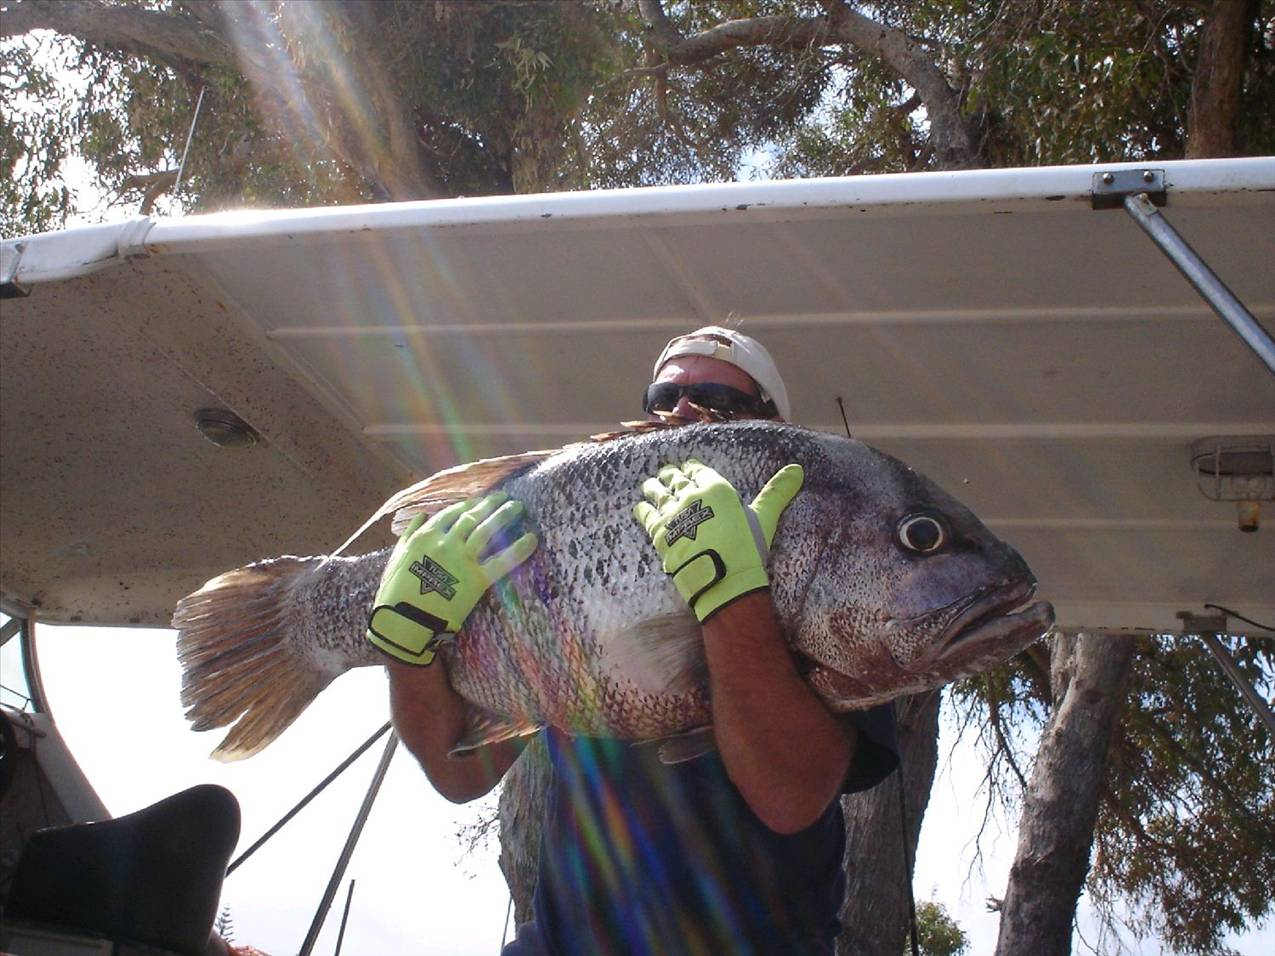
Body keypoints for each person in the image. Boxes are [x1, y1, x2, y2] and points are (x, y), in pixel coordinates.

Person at [369, 327, 899, 955]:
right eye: (664, 396)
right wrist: (406, 649)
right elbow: (457, 773)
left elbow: (790, 797)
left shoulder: (834, 587)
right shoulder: (584, 534)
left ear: (772, 429)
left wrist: (732, 595)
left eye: (720, 401)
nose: (684, 408)